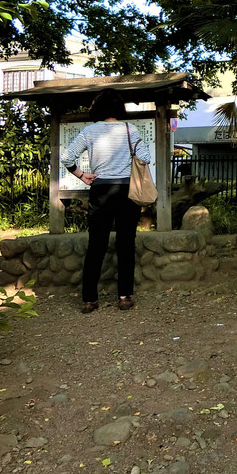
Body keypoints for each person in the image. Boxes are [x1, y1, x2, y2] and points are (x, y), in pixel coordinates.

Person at [61, 90, 149, 313]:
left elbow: (66, 157)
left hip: (100, 190)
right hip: (127, 192)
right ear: (120, 107)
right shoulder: (130, 129)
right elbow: (145, 157)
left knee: (96, 244)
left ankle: (89, 300)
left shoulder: (89, 131)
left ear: (98, 108)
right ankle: (124, 297)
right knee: (126, 244)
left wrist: (82, 175)